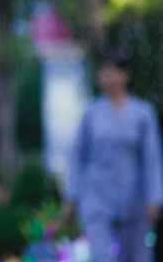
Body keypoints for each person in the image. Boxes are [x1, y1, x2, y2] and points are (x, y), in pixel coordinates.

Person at [62, 55, 163, 262]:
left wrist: (155, 197)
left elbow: (152, 158)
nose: (105, 77)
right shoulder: (91, 112)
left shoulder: (142, 113)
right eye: (102, 71)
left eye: (111, 71)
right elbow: (77, 155)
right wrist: (70, 196)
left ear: (125, 75)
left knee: (136, 256)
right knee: (101, 255)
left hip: (134, 196)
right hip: (97, 194)